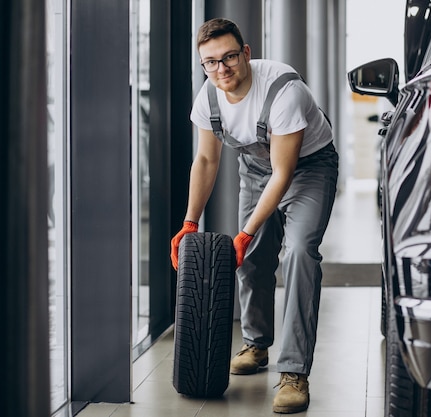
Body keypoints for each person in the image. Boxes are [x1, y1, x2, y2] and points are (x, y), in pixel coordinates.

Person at [170, 17, 338, 414]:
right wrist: (190, 222)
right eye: (210, 62)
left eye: (229, 57)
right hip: (256, 168)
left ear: (245, 53)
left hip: (310, 168)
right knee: (252, 260)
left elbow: (284, 173)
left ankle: (294, 372)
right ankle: (257, 344)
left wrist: (244, 231)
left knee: (298, 252)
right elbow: (207, 160)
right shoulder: (208, 98)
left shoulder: (283, 90)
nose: (221, 69)